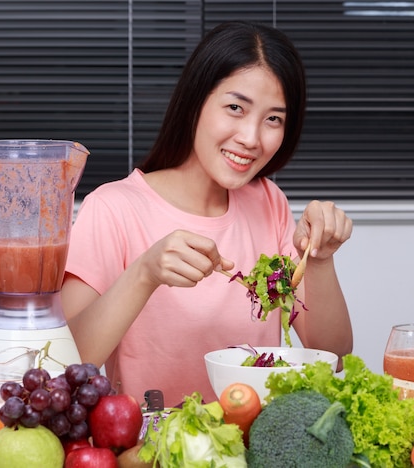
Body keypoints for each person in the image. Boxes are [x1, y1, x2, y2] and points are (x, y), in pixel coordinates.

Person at [61, 21, 353, 405]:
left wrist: (320, 259)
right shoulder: (114, 208)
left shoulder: (269, 203)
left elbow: (333, 356)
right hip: (153, 453)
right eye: (235, 108)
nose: (251, 137)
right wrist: (144, 274)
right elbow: (63, 365)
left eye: (273, 119)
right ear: (195, 101)